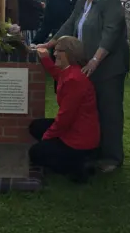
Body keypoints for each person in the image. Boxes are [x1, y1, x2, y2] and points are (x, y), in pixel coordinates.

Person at [37, 0, 129, 173]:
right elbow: (70, 24)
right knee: (91, 111)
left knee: (109, 111)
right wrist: (50, 43)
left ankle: (112, 157)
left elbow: (110, 33)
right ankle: (94, 151)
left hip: (108, 68)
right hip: (88, 65)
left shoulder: (110, 1)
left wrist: (96, 60)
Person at [31, 37, 100, 182]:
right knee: (35, 126)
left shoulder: (75, 79)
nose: (54, 54)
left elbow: (64, 118)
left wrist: (47, 137)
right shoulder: (69, 72)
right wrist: (45, 58)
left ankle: (77, 166)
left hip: (79, 139)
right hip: (72, 129)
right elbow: (57, 74)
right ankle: (73, 159)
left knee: (35, 153)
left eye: (57, 51)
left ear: (69, 53)